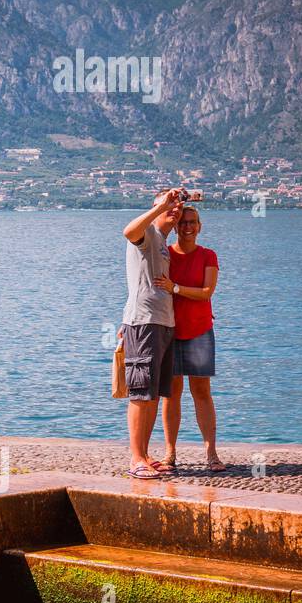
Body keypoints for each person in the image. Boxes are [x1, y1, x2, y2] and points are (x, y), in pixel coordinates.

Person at [120, 188, 186, 479]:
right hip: (144, 322)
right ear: (155, 205)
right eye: (169, 203)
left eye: (179, 206)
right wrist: (161, 208)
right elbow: (127, 231)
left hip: (163, 323)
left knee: (154, 393)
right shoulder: (147, 234)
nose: (175, 208)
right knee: (140, 393)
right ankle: (135, 459)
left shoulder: (163, 243)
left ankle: (145, 454)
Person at [155, 206, 222, 471]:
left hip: (199, 331)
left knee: (201, 392)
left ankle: (211, 454)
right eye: (183, 222)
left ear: (200, 226)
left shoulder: (208, 255)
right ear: (175, 226)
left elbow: (207, 292)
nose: (188, 227)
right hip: (170, 331)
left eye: (193, 222)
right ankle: (170, 453)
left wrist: (176, 288)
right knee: (171, 394)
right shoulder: (165, 255)